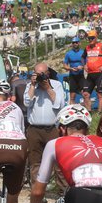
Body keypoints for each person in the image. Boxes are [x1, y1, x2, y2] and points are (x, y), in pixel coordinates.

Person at [23, 62, 66, 195]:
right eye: (37, 74)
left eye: (43, 74)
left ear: (48, 74)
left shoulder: (57, 85)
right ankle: (37, 192)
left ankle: (63, 191)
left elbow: (60, 104)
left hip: (51, 129)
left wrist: (48, 88)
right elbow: (26, 102)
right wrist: (32, 85)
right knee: (35, 161)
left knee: (58, 161)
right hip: (34, 129)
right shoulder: (30, 86)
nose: (40, 77)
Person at [81, 30, 102, 112]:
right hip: (90, 74)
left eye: (92, 38)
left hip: (100, 73)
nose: (90, 40)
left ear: (96, 38)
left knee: (99, 94)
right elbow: (82, 57)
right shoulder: (87, 48)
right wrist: (84, 65)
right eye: (89, 38)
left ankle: (99, 113)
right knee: (85, 94)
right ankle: (89, 112)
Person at [63, 37, 86, 104]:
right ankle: (72, 110)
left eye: (76, 42)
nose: (75, 44)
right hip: (72, 75)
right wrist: (70, 68)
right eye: (73, 43)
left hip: (81, 75)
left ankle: (87, 110)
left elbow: (87, 64)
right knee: (72, 96)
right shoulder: (68, 54)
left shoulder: (83, 52)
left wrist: (82, 67)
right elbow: (65, 65)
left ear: (79, 43)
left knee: (85, 94)